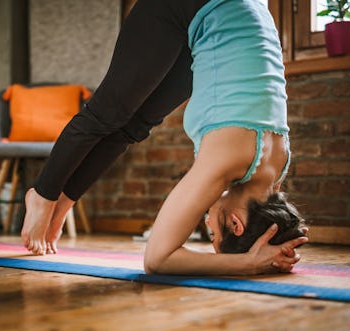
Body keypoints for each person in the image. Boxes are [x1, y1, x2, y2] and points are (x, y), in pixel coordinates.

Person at [21, 0, 308, 275]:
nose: (206, 220)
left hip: (233, 14)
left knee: (132, 127)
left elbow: (276, 222)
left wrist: (279, 244)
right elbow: (158, 259)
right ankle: (43, 194)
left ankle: (64, 202)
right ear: (236, 223)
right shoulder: (225, 164)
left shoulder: (276, 167)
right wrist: (247, 264)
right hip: (193, 4)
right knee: (107, 112)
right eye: (212, 232)